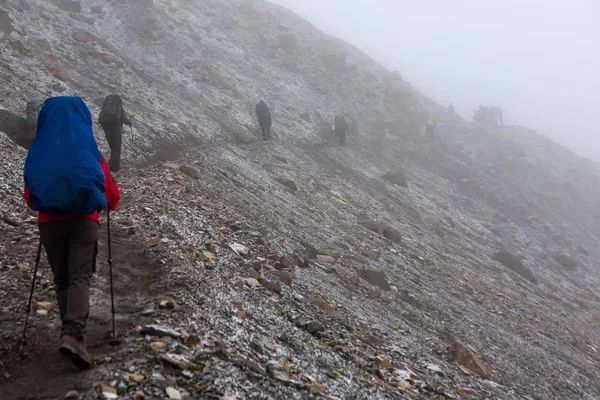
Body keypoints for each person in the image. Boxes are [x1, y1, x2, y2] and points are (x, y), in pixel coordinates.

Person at [24, 96, 120, 370]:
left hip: (50, 223)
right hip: (84, 220)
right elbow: (110, 192)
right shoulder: (88, 148)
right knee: (80, 276)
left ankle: (70, 333)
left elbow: (30, 193)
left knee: (62, 279)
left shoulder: (40, 148)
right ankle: (73, 334)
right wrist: (110, 203)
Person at [98, 94, 132, 172]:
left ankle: (111, 163)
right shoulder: (118, 107)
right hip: (116, 128)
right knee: (116, 147)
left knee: (112, 146)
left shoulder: (105, 107)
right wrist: (129, 122)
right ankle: (115, 167)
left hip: (106, 127)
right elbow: (124, 119)